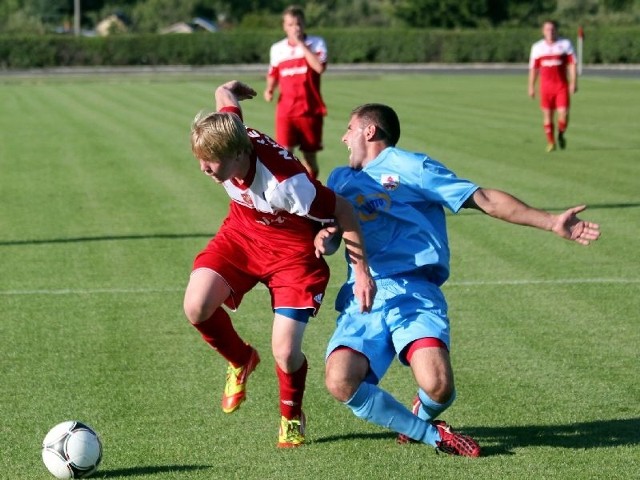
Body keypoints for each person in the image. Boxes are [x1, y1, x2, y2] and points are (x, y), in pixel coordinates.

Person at [315, 103, 601, 457]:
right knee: (340, 380)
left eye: (349, 129)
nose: (344, 137)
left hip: (416, 291)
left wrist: (550, 221)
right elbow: (327, 229)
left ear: (369, 131)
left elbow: (483, 199)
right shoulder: (339, 180)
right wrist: (325, 239)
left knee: (438, 387)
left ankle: (423, 413)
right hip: (366, 292)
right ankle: (431, 436)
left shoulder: (412, 167)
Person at [184, 80, 376, 448]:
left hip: (293, 251)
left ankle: (291, 414)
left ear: (239, 154)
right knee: (196, 306)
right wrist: (230, 89)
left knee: (286, 352)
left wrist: (361, 271)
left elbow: (342, 209)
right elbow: (224, 98)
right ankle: (241, 360)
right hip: (243, 232)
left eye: (211, 163)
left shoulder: (288, 185)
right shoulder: (230, 132)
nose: (204, 169)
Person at [263, 5, 327, 179]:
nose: (295, 28)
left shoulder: (317, 43)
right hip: (286, 110)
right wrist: (269, 89)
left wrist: (301, 44)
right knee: (284, 154)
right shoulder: (277, 48)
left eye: (298, 23)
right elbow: (273, 72)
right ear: (284, 26)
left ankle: (314, 190)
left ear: (304, 24)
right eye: (290, 24)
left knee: (310, 158)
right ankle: (291, 195)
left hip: (309, 110)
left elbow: (319, 67)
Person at [528, 20, 578, 153]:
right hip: (545, 88)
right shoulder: (537, 47)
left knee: (564, 113)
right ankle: (551, 142)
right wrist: (531, 86)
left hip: (561, 86)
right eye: (547, 29)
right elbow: (534, 68)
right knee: (548, 116)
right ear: (543, 31)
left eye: (552, 29)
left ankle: (561, 133)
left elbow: (572, 64)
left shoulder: (565, 44)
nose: (550, 32)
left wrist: (574, 82)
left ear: (556, 30)